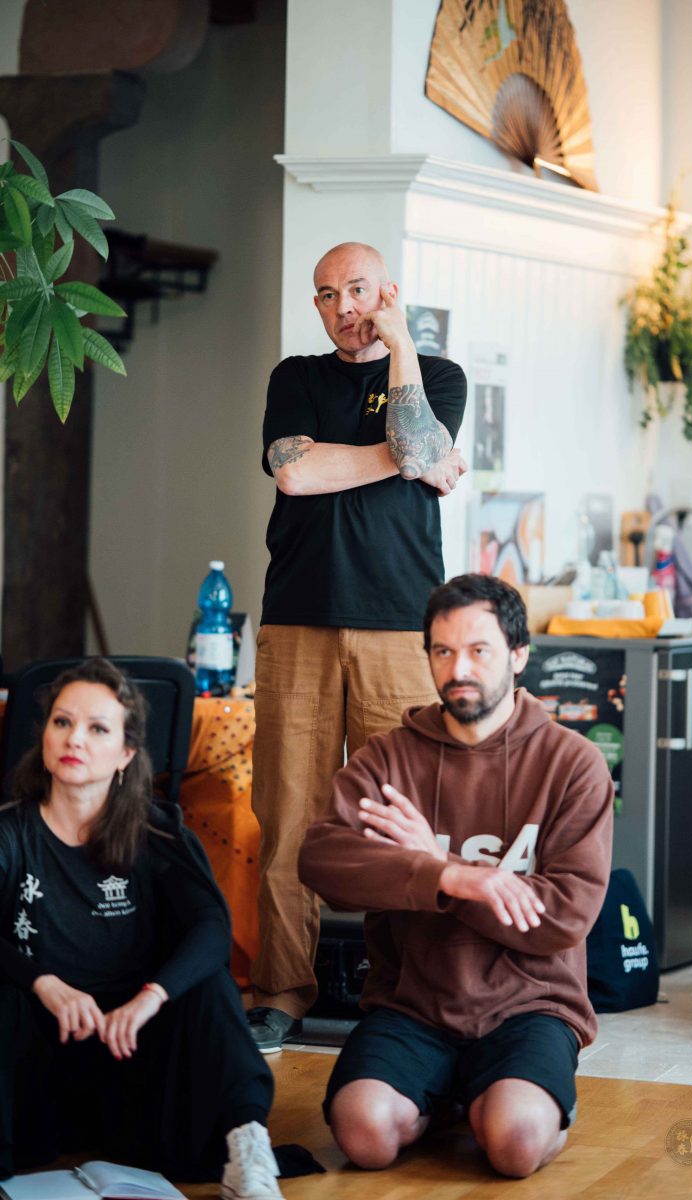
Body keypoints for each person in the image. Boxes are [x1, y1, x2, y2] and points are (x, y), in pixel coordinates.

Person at [299, 574, 614, 1179]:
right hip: (412, 1006)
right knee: (362, 1134)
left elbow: (564, 915)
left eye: (478, 650)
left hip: (532, 1006)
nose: (458, 668)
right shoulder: (388, 759)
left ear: (518, 656)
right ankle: (449, 1101)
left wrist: (442, 868)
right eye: (442, 651)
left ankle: (503, 1104)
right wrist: (453, 879)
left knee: (515, 1144)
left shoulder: (573, 763)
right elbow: (322, 861)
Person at [249, 241, 468, 1052]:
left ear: (389, 293)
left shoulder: (438, 376)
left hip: (400, 626)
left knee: (401, 824)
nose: (344, 306)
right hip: (297, 621)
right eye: (327, 294)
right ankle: (279, 994)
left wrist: (401, 345)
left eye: (359, 290)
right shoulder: (295, 378)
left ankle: (402, 1000)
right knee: (288, 820)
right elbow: (295, 474)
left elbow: (415, 445)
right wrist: (410, 461)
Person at [0, 658, 282, 1200]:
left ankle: (246, 1147)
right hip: (36, 1066)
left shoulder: (157, 833)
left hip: (133, 1052)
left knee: (208, 985)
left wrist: (152, 996)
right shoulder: (12, 833)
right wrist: (43, 983)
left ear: (126, 753)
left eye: (97, 728)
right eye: (62, 722)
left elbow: (211, 928)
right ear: (44, 736)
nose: (74, 739)